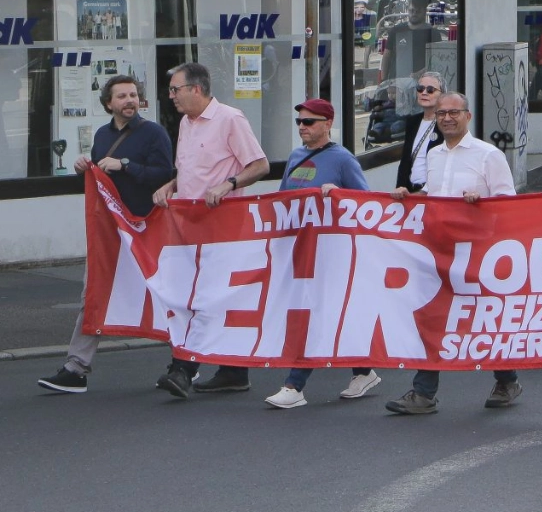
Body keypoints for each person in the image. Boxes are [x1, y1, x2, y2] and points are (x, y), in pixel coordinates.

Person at [37, 76, 174, 395]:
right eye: (122, 96)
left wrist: (125, 164)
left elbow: (165, 175)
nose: (129, 100)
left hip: (146, 229)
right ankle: (76, 368)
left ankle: (184, 362)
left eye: (133, 95)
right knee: (94, 294)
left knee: (165, 297)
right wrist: (84, 166)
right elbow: (100, 177)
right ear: (108, 103)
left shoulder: (153, 133)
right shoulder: (101, 135)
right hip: (111, 234)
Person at [384, 92, 519, 414]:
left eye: (453, 113)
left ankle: (507, 379)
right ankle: (424, 393)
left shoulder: (489, 156)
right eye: (442, 113)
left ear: (467, 116)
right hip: (440, 249)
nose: (446, 118)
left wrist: (481, 203)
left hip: (478, 252)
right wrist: (411, 195)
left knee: (485, 319)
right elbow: (434, 194)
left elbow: (510, 201)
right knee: (435, 317)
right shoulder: (434, 154)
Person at [150, 62, 270, 400]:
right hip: (188, 228)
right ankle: (233, 371)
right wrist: (172, 185)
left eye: (176, 89)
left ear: (196, 89)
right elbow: (193, 169)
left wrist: (228, 185)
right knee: (203, 298)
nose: (171, 95)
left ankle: (183, 369)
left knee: (199, 299)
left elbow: (259, 164)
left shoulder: (230, 119)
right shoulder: (187, 123)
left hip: (222, 227)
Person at [265, 99, 375, 410]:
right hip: (301, 248)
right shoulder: (296, 155)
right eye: (299, 121)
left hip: (331, 253)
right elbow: (285, 198)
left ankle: (294, 384)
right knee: (330, 314)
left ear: (327, 124)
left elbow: (365, 203)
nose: (302, 126)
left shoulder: (343, 159)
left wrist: (338, 194)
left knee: (313, 315)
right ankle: (364, 370)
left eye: (309, 122)